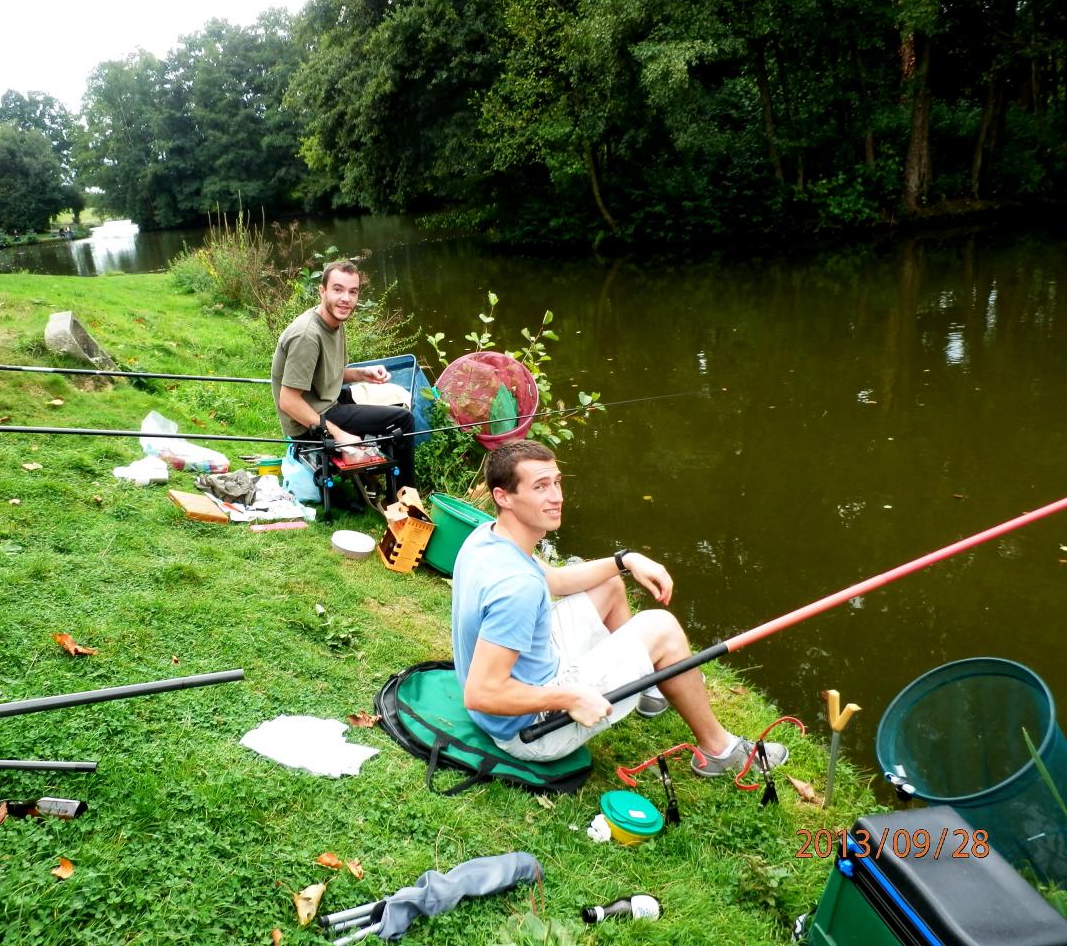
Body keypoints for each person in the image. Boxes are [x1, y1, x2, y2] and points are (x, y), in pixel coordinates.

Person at [452, 439, 789, 775]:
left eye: (557, 482)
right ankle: (720, 750)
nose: (556, 497)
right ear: (503, 496)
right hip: (530, 731)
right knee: (662, 627)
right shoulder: (518, 589)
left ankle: (652, 686)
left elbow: (554, 581)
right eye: (540, 486)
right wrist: (571, 699)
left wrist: (625, 560)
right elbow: (481, 693)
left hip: (527, 679)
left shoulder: (487, 535)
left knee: (610, 585)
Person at [270, 260, 415, 497]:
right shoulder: (307, 335)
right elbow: (288, 401)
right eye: (338, 289)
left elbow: (327, 373)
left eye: (352, 291)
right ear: (322, 291)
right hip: (308, 421)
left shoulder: (335, 321)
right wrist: (340, 435)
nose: (346, 298)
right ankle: (405, 501)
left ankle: (371, 480)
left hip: (327, 401)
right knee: (403, 421)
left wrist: (362, 374)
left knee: (393, 398)